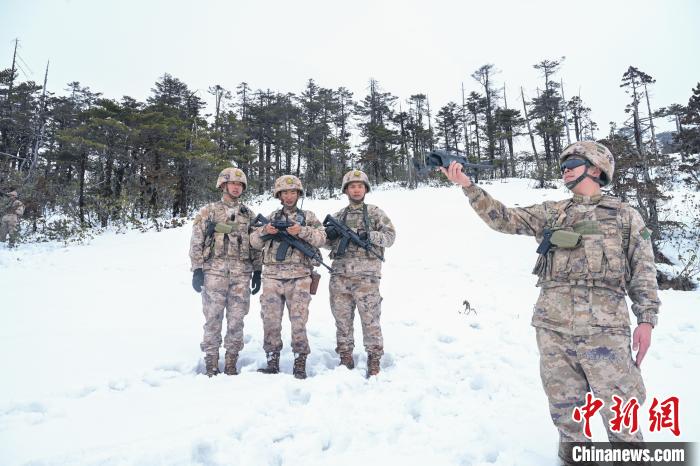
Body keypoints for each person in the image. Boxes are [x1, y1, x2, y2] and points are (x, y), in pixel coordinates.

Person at [440, 141, 660, 465]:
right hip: (553, 329)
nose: (565, 170)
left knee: (620, 414)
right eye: (562, 166)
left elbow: (643, 272)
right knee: (566, 413)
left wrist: (646, 320)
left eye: (572, 163)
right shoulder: (552, 212)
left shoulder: (626, 216)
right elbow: (504, 219)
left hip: (605, 332)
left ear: (595, 169)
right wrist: (468, 186)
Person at [250, 175, 326, 379]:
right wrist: (265, 230)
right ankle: (272, 360)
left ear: (298, 194)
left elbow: (322, 238)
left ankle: (300, 362)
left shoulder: (308, 217)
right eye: (285, 192)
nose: (289, 196)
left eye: (293, 192)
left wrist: (302, 231)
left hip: (299, 277)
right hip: (272, 277)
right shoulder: (271, 217)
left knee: (299, 321)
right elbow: (254, 242)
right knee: (270, 320)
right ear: (279, 195)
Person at [189, 168, 262, 377]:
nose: (236, 187)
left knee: (237, 320)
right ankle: (211, 362)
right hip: (214, 273)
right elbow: (196, 241)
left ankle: (231, 362)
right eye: (232, 184)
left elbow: (256, 245)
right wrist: (197, 269)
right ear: (223, 185)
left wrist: (258, 271)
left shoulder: (249, 215)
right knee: (212, 319)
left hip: (241, 274)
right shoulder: (209, 211)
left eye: (240, 185)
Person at [323, 169, 396, 377]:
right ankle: (345, 356)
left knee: (370, 320)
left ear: (366, 189)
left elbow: (390, 238)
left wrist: (369, 235)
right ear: (346, 190)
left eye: (360, 186)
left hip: (367, 278)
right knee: (342, 320)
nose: (356, 190)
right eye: (352, 187)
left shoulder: (375, 213)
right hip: (340, 276)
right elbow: (325, 243)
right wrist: (330, 235)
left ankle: (374, 358)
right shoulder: (339, 215)